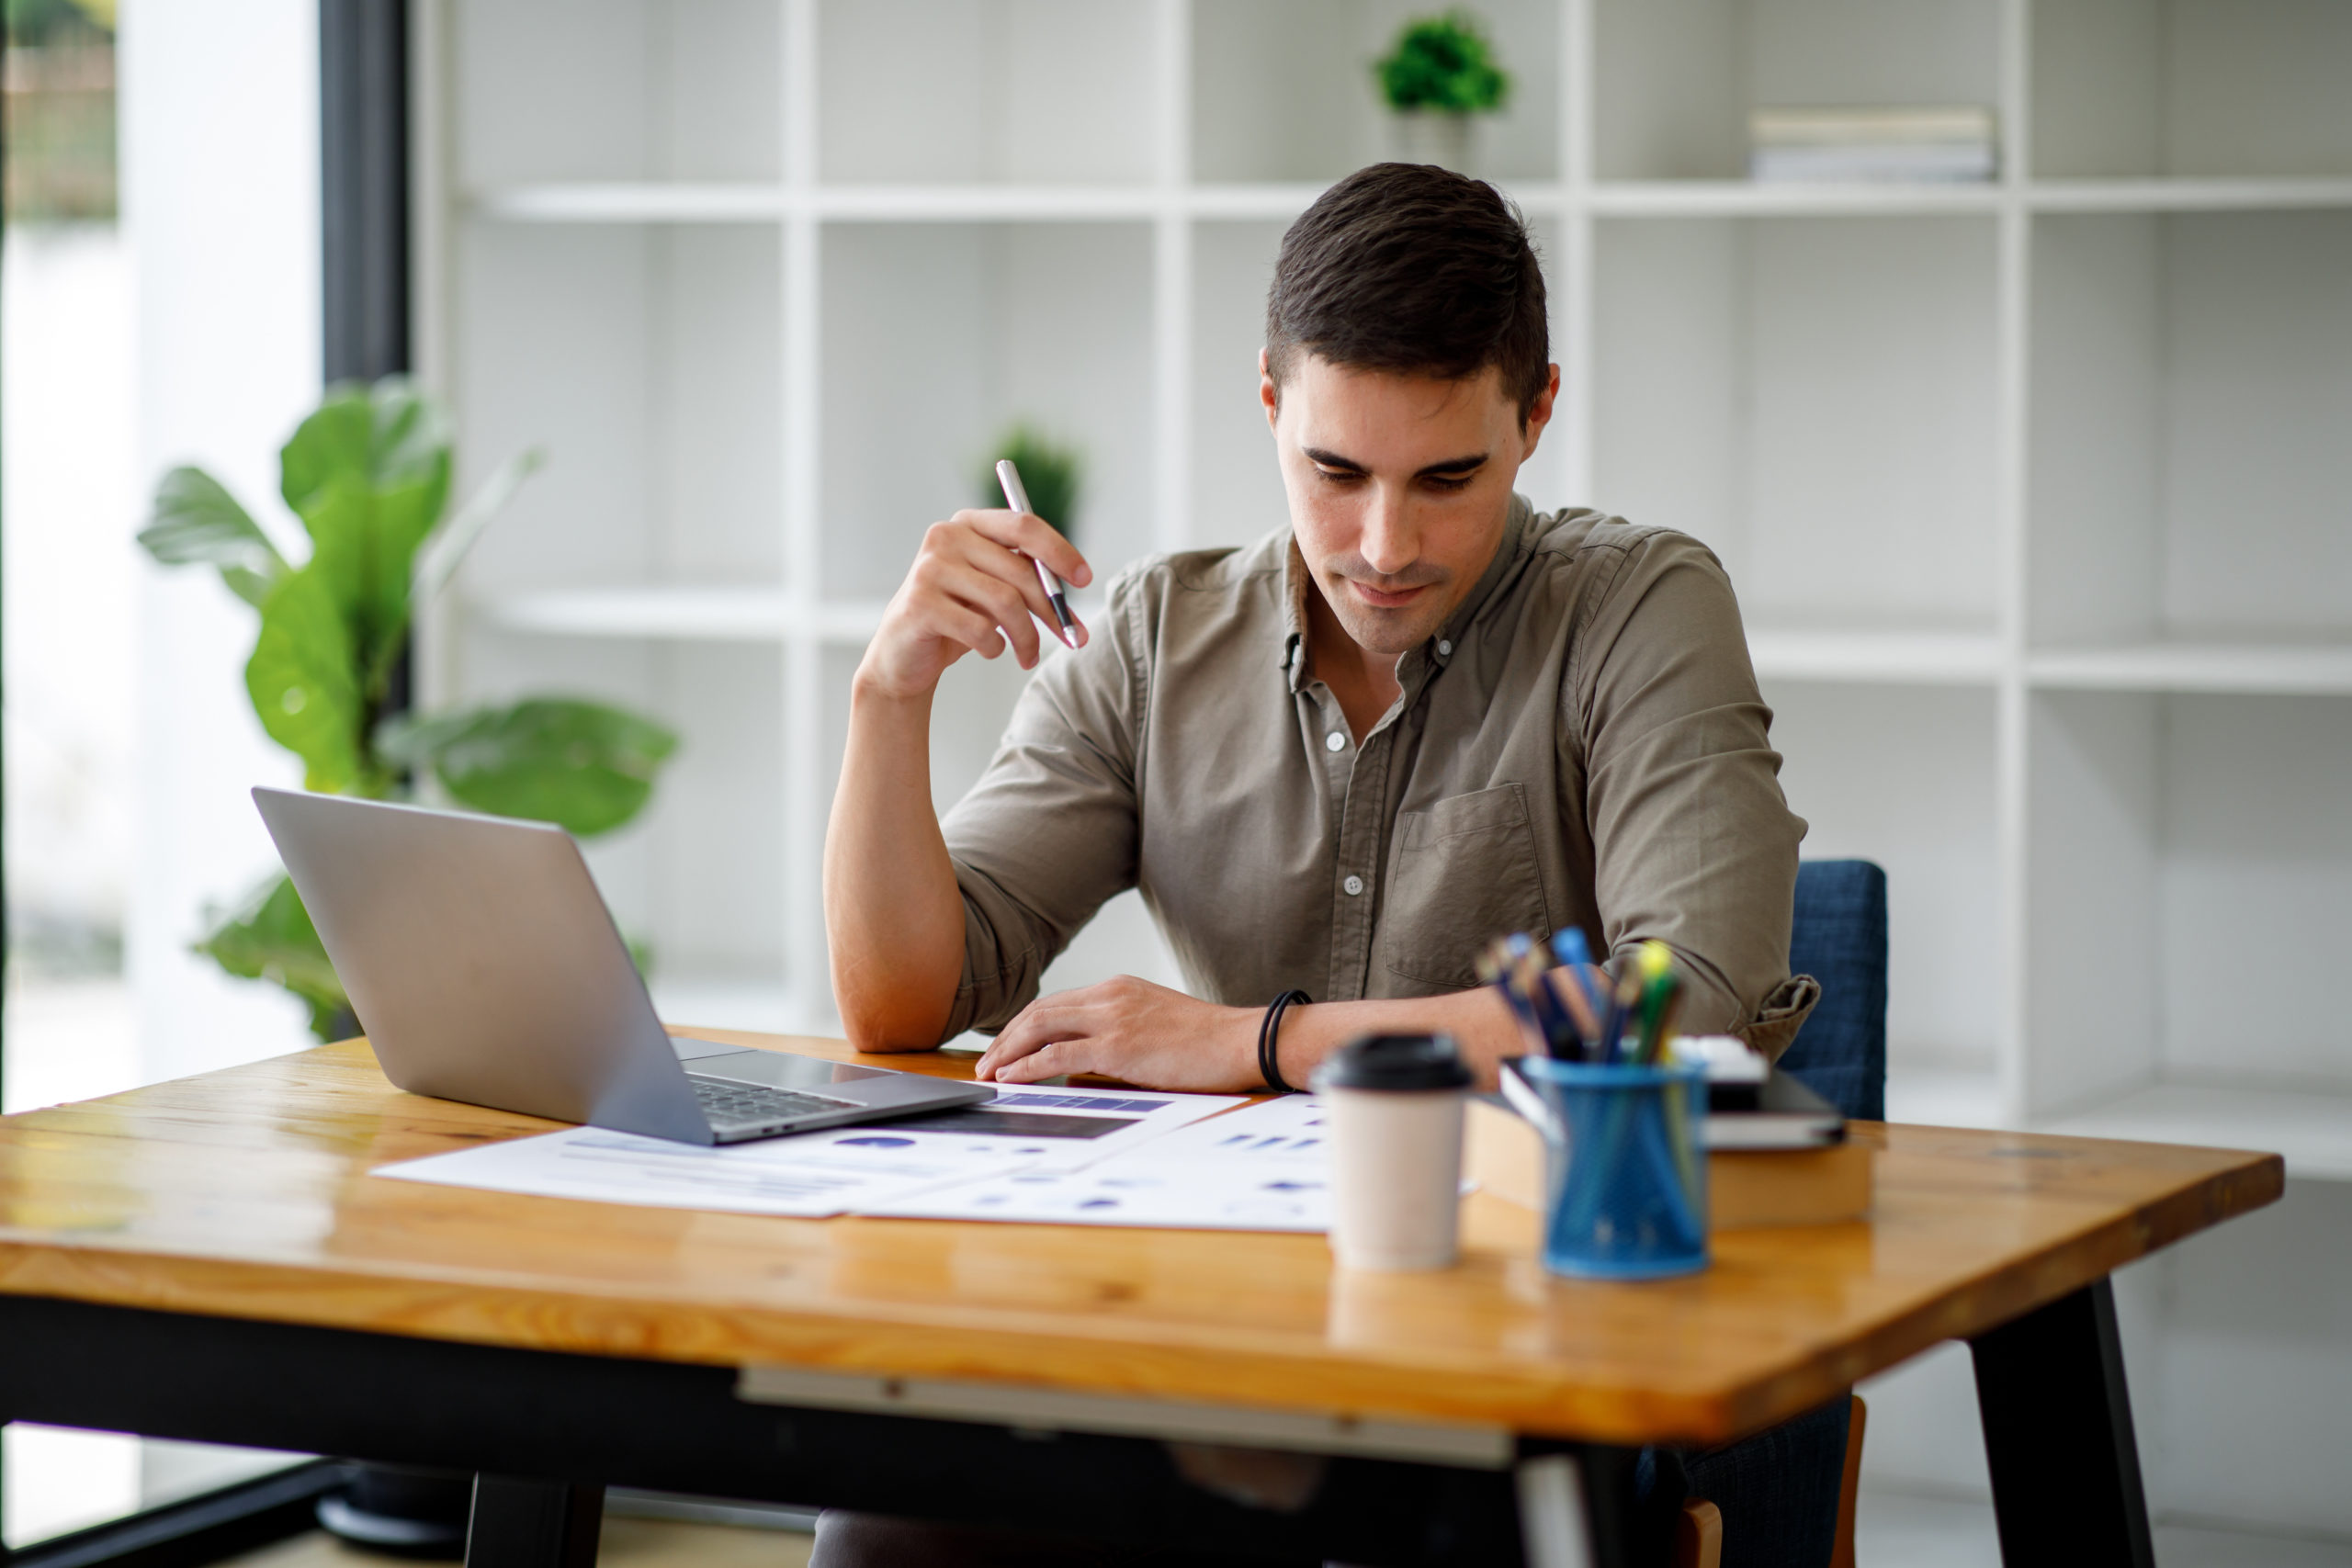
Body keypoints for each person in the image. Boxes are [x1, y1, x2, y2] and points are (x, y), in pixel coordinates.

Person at [816, 163, 1838, 1568]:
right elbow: (901, 1007)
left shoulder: (1642, 609)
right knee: (902, 1507)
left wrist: (1254, 1041)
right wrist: (891, 695)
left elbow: (1685, 999)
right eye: (1335, 471)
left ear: (1537, 413)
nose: (1384, 546)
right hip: (1225, 1314)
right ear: (1271, 405)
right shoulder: (1157, 639)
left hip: (1526, 1325)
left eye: (1448, 479)